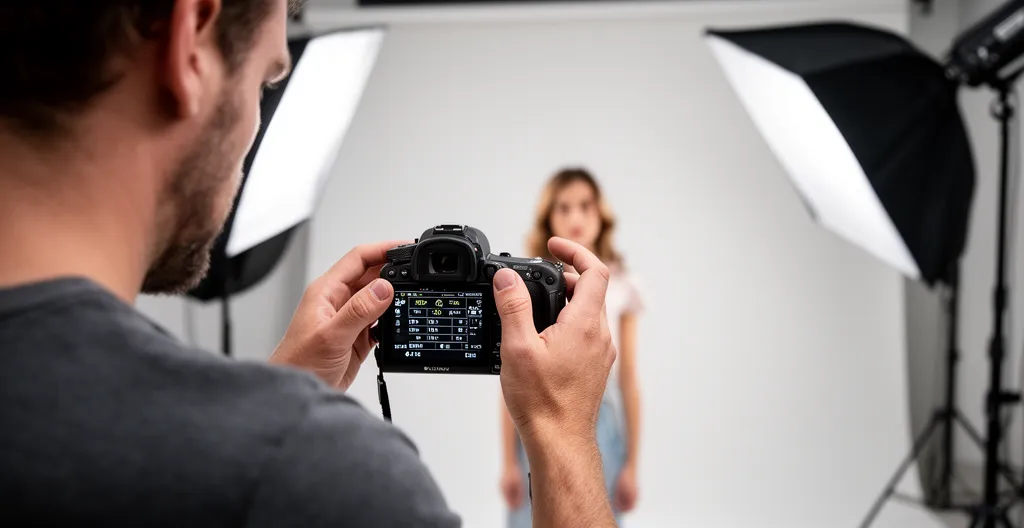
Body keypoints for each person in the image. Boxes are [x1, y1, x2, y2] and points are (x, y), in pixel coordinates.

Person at [0, 2, 619, 527]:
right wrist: (563, 438)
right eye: (265, 82)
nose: (252, 129)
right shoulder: (329, 479)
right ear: (191, 38)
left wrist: (276, 400)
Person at [502, 168, 644, 527]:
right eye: (563, 208)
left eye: (585, 206)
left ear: (601, 214)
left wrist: (632, 464)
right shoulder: (527, 285)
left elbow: (628, 379)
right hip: (536, 414)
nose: (575, 217)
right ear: (549, 216)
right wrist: (507, 462)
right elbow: (512, 377)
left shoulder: (624, 287)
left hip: (600, 422)